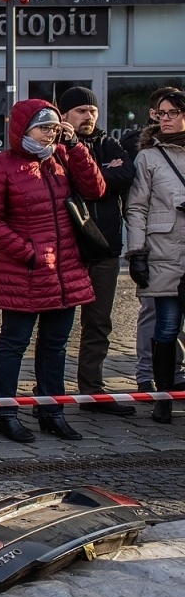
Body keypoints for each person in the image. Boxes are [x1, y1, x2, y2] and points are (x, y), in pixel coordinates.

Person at [0, 99, 105, 443]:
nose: (49, 134)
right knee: (14, 343)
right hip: (24, 272)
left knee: (56, 346)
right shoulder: (1, 166)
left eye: (53, 127)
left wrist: (75, 146)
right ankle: (6, 413)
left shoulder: (62, 157)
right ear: (23, 128)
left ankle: (52, 411)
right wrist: (29, 253)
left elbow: (96, 189)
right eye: (42, 127)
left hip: (65, 272)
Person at [58, 87, 137, 400]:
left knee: (99, 323)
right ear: (64, 115)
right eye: (80, 111)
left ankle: (92, 388)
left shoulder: (109, 143)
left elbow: (124, 176)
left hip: (104, 248)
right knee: (56, 325)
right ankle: (48, 391)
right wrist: (98, 176)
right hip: (67, 248)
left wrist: (95, 177)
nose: (87, 116)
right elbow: (68, 183)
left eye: (91, 111)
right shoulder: (54, 145)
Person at [124, 88, 185, 424]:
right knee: (165, 326)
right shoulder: (149, 156)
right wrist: (137, 252)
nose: (166, 119)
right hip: (164, 250)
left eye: (172, 112)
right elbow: (136, 207)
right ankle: (163, 397)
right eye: (161, 114)